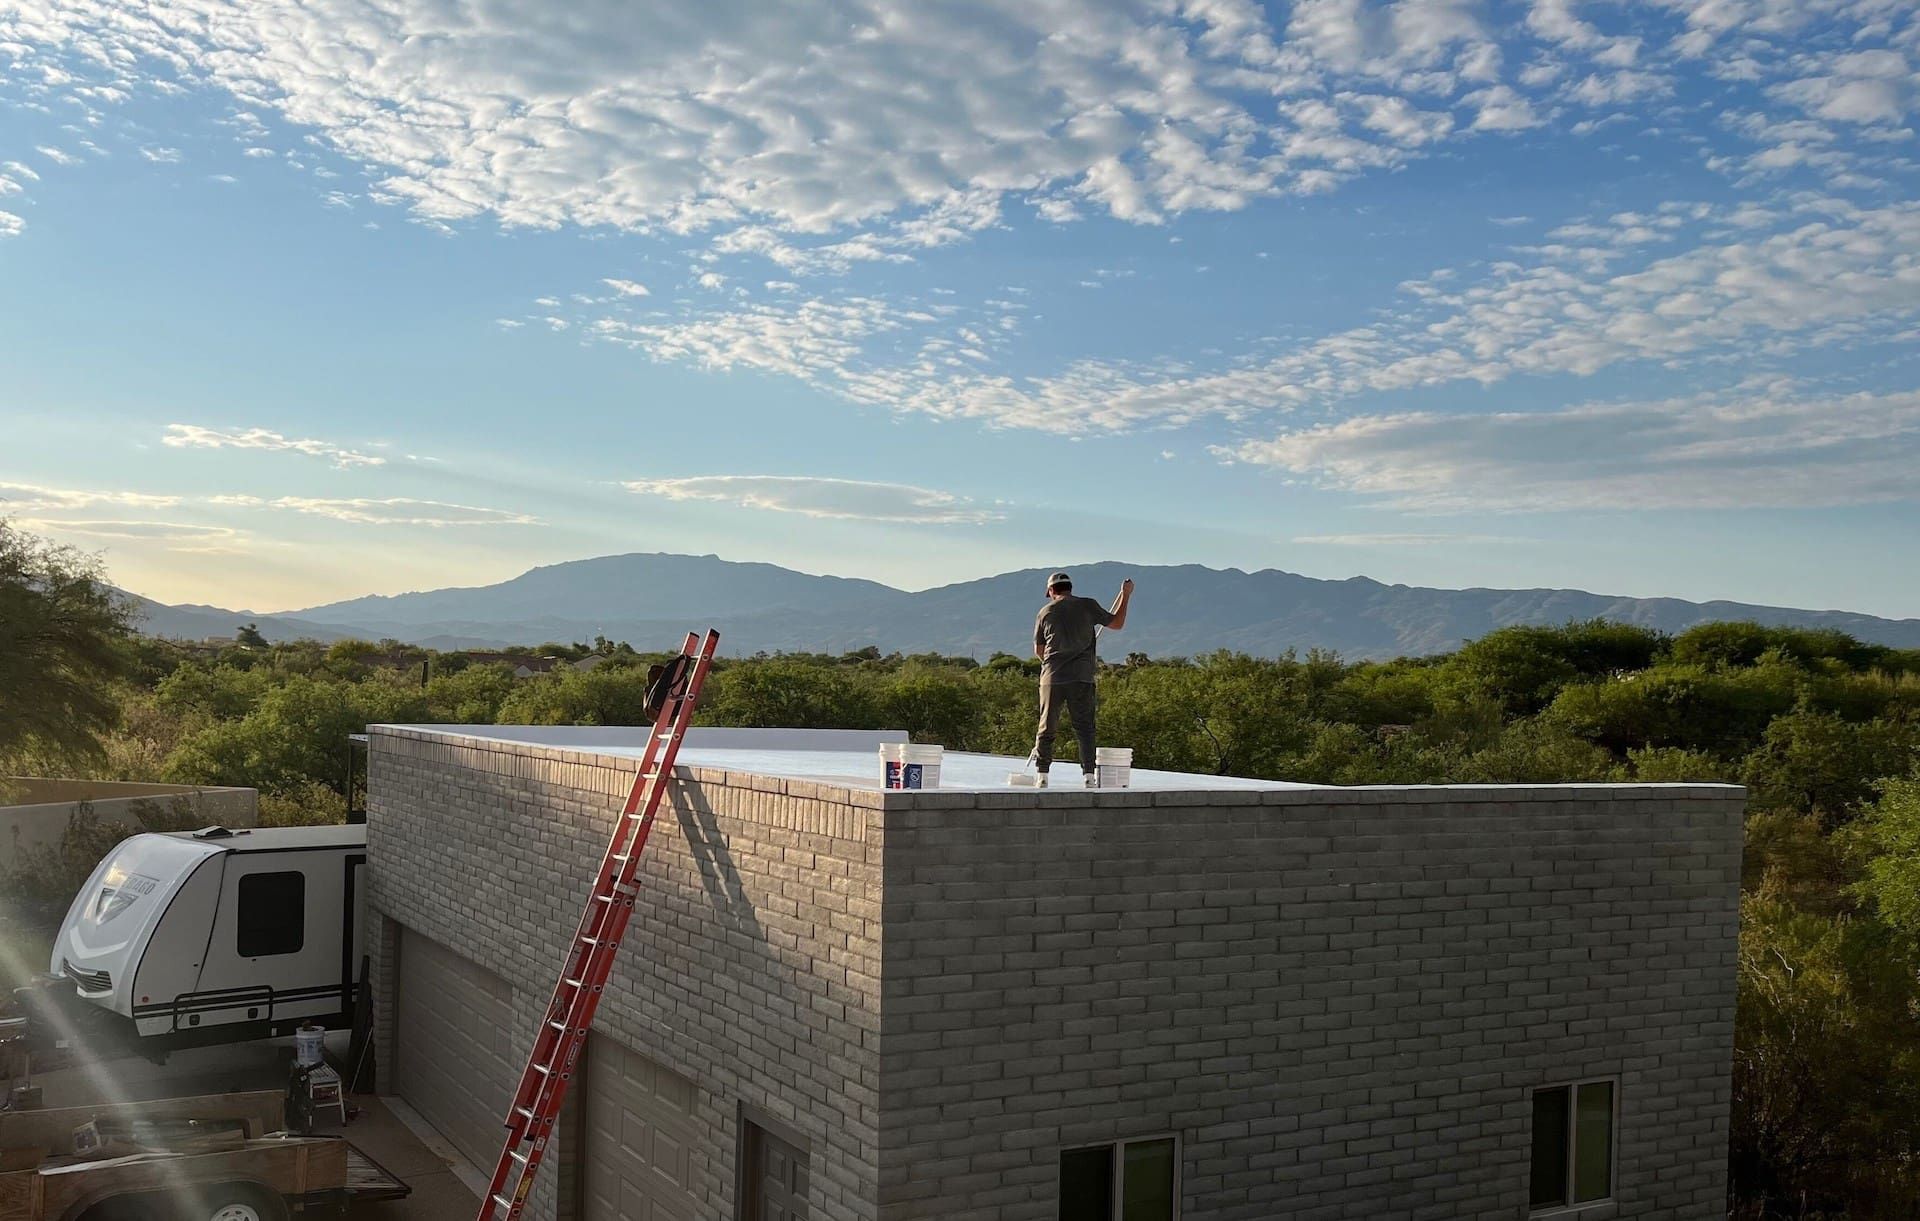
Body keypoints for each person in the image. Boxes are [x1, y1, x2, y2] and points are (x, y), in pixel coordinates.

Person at [1029, 571, 1133, 786]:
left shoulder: (1045, 612)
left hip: (1052, 678)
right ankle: (1088, 776)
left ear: (1051, 591)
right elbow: (1116, 624)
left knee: (1046, 726)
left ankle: (1042, 776)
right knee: (1084, 728)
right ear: (1070, 588)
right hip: (1082, 678)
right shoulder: (1087, 605)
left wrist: (1052, 663)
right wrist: (1126, 595)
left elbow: (1039, 650)